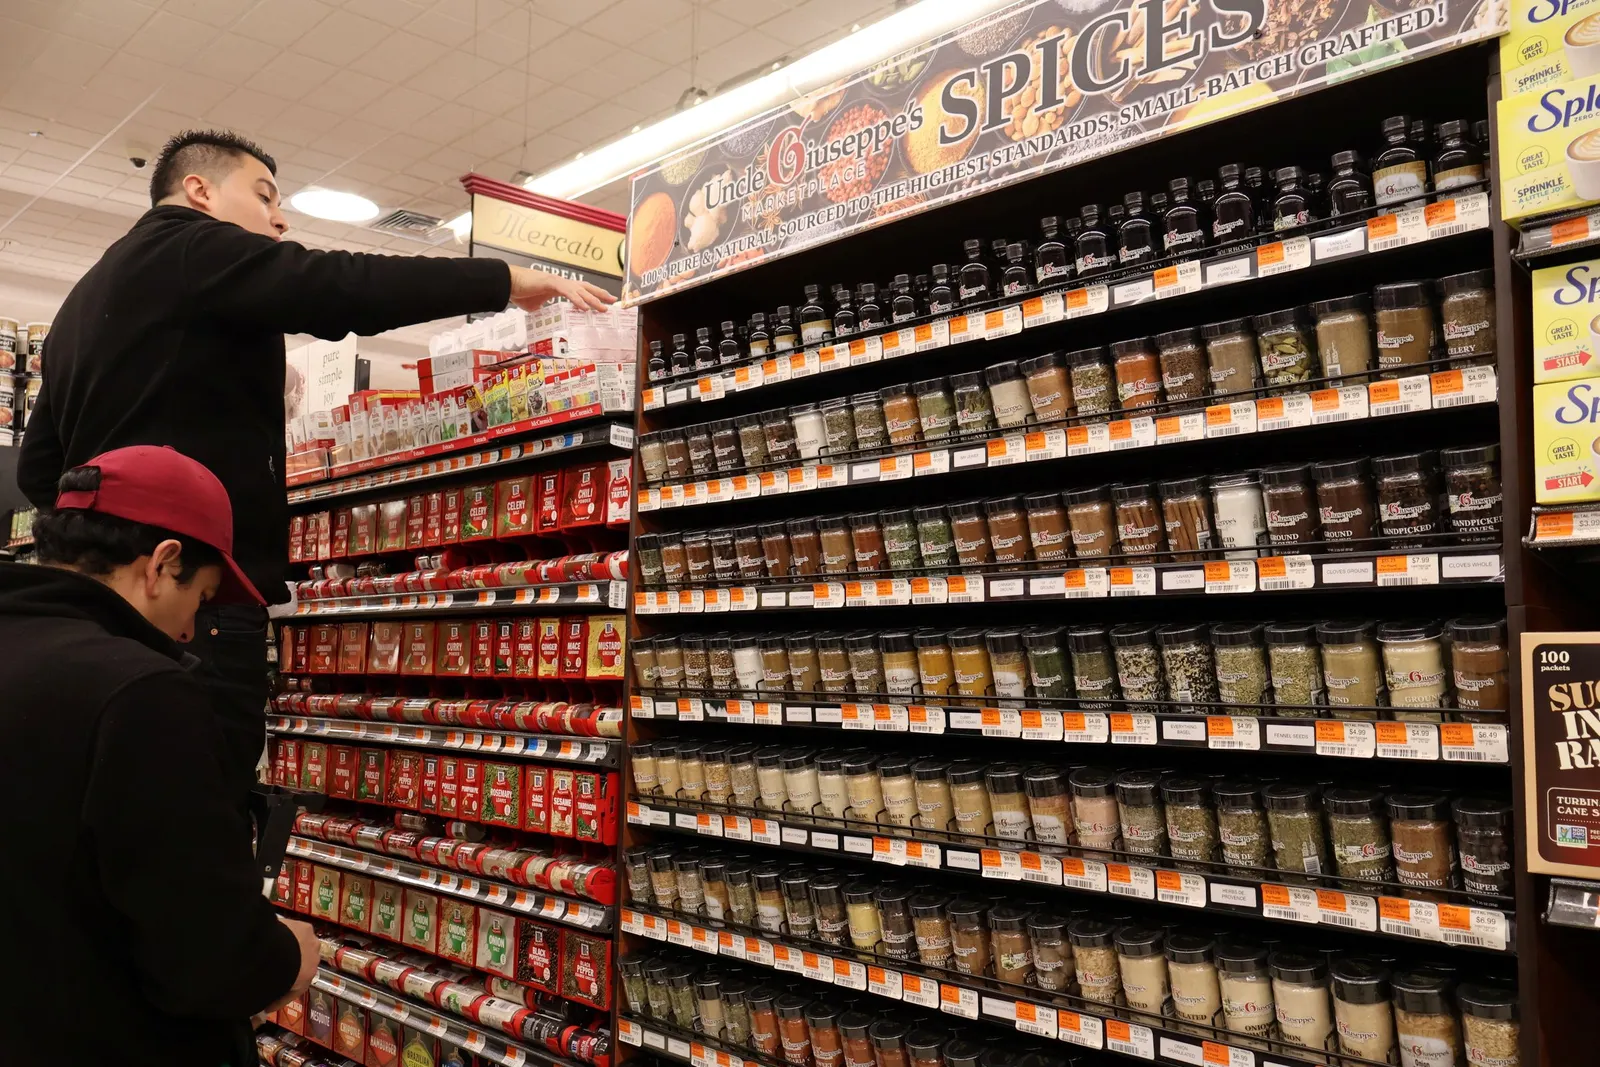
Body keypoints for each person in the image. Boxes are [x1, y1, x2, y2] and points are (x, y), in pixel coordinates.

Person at [17, 128, 615, 796]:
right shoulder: (190, 246)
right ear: (198, 191)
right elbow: (334, 285)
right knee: (199, 799)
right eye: (265, 194)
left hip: (101, 599)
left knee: (100, 797)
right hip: (191, 596)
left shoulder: (83, 299)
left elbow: (38, 471)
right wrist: (505, 278)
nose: (279, 217)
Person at [0, 445, 320, 1065]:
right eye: (199, 601)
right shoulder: (140, 690)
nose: (188, 632)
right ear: (162, 563)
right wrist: (282, 956)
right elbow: (207, 955)